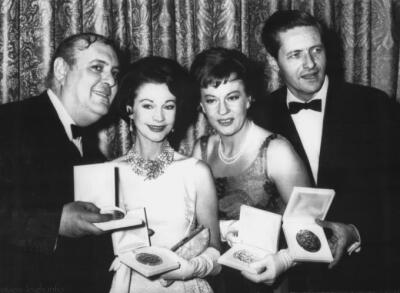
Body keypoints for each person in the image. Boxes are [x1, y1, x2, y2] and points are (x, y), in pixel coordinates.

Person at [253, 10, 400, 290]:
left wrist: (356, 231)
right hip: (290, 281)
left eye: (316, 50)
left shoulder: (375, 106)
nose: (310, 64)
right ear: (275, 62)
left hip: (367, 273)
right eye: (295, 55)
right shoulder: (259, 116)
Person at [0, 33, 121, 293]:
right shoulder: (9, 122)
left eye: (114, 73)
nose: (110, 81)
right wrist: (56, 223)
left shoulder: (92, 153)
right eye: (97, 68)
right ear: (61, 69)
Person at [190, 47, 311, 293]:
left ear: (248, 98)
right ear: (201, 105)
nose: (222, 111)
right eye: (212, 100)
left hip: (267, 283)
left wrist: (285, 259)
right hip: (215, 282)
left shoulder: (277, 152)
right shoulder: (200, 150)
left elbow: (313, 228)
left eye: (232, 97)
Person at [108, 56, 221, 293]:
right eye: (148, 105)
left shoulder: (196, 172)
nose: (159, 117)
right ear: (130, 108)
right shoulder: (109, 173)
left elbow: (216, 252)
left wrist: (192, 268)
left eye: (168, 106)